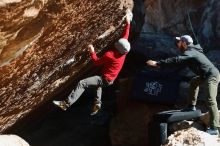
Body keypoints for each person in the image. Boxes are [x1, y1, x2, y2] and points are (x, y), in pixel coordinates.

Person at [53, 10, 133, 115]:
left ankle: (66, 104)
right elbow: (126, 35)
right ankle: (97, 103)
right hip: (111, 79)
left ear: (117, 47)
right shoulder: (124, 52)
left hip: (105, 78)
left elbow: (96, 62)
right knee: (98, 84)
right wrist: (128, 22)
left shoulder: (110, 55)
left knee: (82, 83)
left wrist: (92, 51)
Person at [146, 35, 220, 135]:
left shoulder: (190, 52)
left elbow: (176, 60)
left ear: (184, 43)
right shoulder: (192, 51)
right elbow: (178, 63)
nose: (177, 44)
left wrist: (158, 63)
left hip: (211, 75)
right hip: (205, 75)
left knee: (211, 100)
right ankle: (191, 106)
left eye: (179, 42)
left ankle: (215, 128)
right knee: (194, 82)